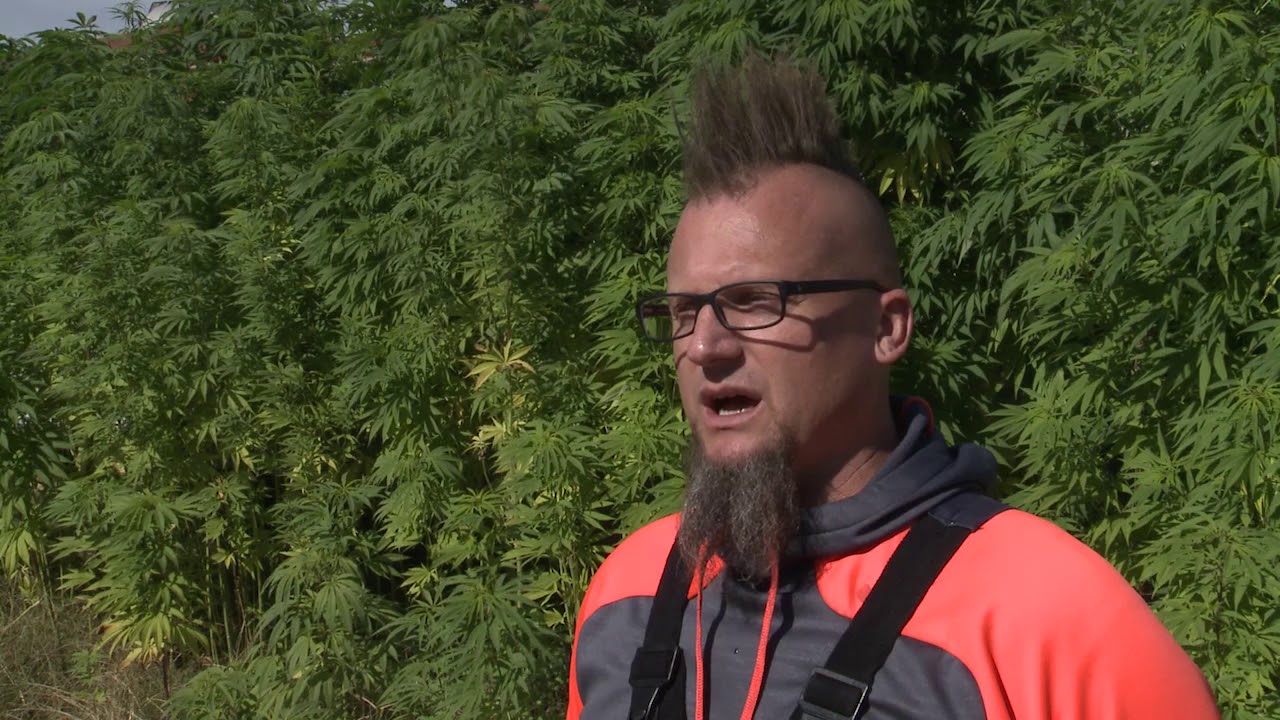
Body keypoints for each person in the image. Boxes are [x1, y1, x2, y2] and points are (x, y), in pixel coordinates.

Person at [565, 55, 1220, 720]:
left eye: (755, 301)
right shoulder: (630, 589)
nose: (705, 346)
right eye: (682, 314)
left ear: (887, 326)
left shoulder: (1048, 613)